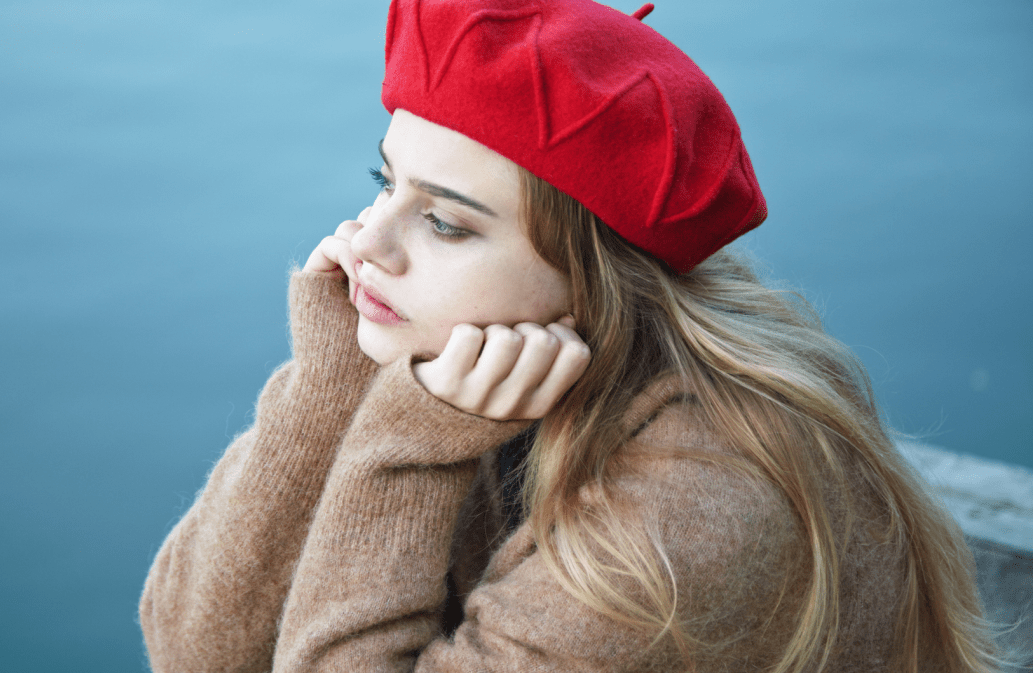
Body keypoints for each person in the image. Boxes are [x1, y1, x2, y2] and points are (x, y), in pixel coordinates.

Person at [138, 1, 1004, 671]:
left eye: (444, 222)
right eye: (386, 180)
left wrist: (406, 455)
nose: (366, 242)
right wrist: (327, 388)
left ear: (591, 281)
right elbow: (193, 650)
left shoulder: (695, 508)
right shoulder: (453, 350)